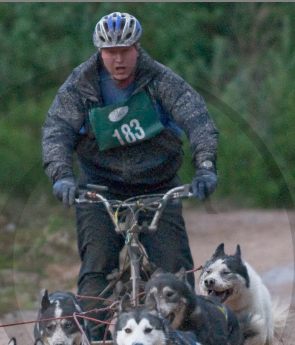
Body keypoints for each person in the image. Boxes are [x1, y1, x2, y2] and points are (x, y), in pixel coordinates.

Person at [42, 11, 219, 325]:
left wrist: (205, 166)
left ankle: (189, 344)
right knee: (96, 270)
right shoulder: (79, 86)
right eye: (110, 52)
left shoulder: (160, 81)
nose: (118, 60)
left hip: (157, 185)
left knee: (175, 268)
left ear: (138, 48)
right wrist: (62, 175)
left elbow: (198, 120)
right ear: (100, 52)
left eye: (125, 51)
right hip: (99, 188)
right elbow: (57, 129)